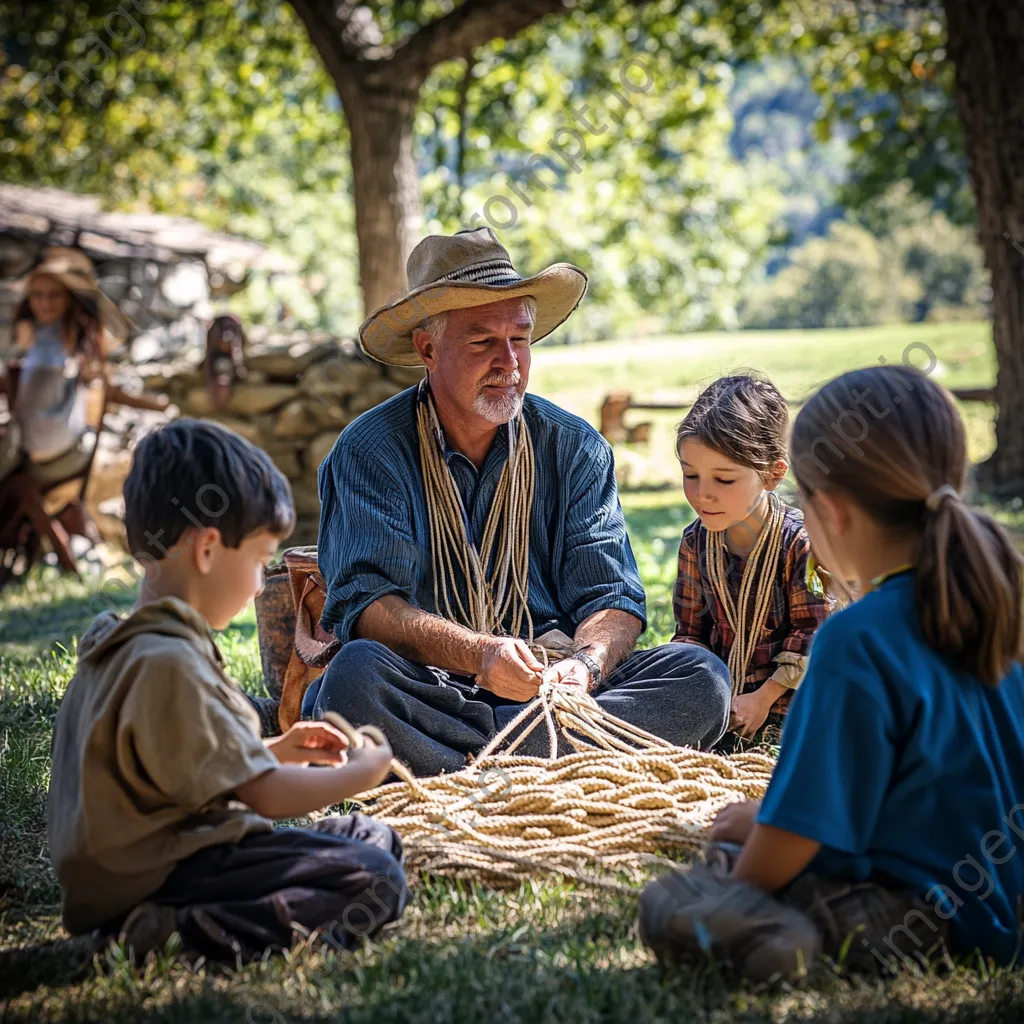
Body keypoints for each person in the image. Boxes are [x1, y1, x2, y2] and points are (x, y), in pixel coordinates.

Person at [639, 366, 1024, 979]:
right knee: (743, 831)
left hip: (916, 913)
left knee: (673, 899)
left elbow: (798, 832)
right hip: (1001, 895)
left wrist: (739, 880)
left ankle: (785, 938)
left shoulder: (855, 637)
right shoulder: (996, 602)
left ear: (833, 513)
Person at [305, 226, 732, 777]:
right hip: (434, 690)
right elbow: (368, 609)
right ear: (428, 348)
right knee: (354, 680)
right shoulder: (370, 451)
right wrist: (481, 656)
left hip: (560, 694)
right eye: (482, 341)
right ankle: (566, 763)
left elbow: (611, 596)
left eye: (521, 338)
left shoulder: (574, 447)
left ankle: (466, 766)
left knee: (700, 675)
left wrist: (585, 666)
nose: (509, 361)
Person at [47, 419, 406, 963]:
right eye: (260, 562)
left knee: (366, 835)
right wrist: (367, 770)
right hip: (168, 877)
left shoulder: (128, 646)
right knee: (375, 876)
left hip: (167, 859)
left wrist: (277, 751)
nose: (263, 583)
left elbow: (181, 776)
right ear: (208, 549)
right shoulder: (168, 663)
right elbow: (264, 796)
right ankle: (166, 932)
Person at [672, 375, 833, 742]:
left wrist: (762, 699)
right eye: (690, 474)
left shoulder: (800, 543)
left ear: (773, 475)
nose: (702, 495)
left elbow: (814, 635)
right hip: (723, 708)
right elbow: (690, 633)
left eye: (724, 480)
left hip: (792, 711)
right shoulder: (696, 543)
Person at [0, 248, 129, 497]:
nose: (45, 303)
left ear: (70, 297)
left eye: (55, 295)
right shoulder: (67, 334)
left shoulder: (57, 340)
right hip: (69, 447)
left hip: (49, 453)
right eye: (37, 295)